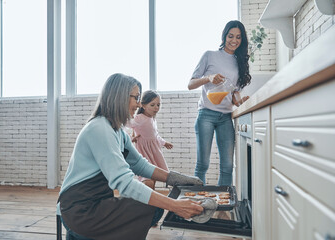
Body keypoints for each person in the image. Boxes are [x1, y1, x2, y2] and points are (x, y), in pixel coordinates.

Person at [57, 73, 203, 240]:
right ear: (120, 97)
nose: (139, 103)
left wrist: (175, 178)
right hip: (80, 210)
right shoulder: (99, 128)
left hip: (97, 202)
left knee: (152, 204)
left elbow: (140, 165)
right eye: (136, 97)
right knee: (152, 207)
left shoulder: (118, 131)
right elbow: (124, 182)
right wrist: (175, 205)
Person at [188, 20, 251, 186]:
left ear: (242, 39)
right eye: (231, 36)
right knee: (203, 164)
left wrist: (240, 102)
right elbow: (190, 84)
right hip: (206, 115)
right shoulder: (210, 55)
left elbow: (234, 93)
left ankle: (223, 205)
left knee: (228, 166)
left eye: (238, 37)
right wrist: (209, 78)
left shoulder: (240, 61)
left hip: (225, 117)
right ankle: (197, 202)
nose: (234, 40)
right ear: (225, 36)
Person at [127, 90, 173, 190]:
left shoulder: (152, 119)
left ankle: (151, 198)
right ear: (143, 105)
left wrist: (164, 142)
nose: (156, 107)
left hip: (155, 151)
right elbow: (126, 124)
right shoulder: (140, 118)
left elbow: (155, 136)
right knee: (147, 177)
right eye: (152, 105)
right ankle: (146, 200)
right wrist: (131, 138)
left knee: (154, 176)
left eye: (158, 105)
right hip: (145, 151)